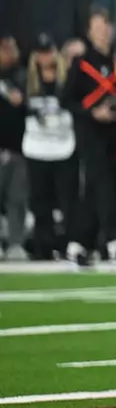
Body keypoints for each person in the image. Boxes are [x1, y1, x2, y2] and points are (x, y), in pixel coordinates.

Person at [62, 9, 116, 265]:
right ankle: (112, 241)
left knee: (98, 188)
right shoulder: (81, 63)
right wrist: (92, 113)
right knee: (103, 185)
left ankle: (80, 243)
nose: (104, 30)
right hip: (89, 133)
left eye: (106, 25)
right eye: (98, 26)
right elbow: (66, 100)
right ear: (90, 31)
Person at [20, 35, 75, 261]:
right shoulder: (26, 80)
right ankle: (44, 245)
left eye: (49, 51)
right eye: (41, 52)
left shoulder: (67, 79)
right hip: (36, 147)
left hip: (63, 147)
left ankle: (67, 244)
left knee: (66, 200)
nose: (45, 57)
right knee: (39, 200)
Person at [0, 35, 26, 259]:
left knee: (17, 198)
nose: (11, 53)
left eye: (13, 48)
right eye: (6, 48)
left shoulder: (23, 76)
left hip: (18, 147)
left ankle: (16, 243)